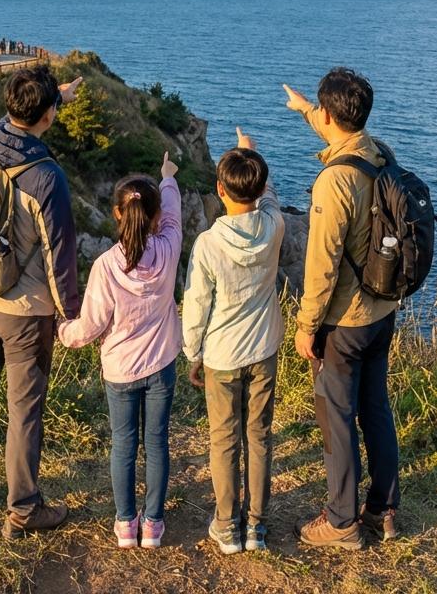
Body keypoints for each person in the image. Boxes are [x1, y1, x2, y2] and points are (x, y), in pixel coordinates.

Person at [0, 65, 83, 538]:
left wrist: (53, 98)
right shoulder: (47, 178)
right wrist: (70, 315)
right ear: (47, 116)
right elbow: (59, 258)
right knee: (23, 410)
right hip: (25, 312)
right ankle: (24, 508)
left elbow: (8, 129)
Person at [283, 68, 400, 549]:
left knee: (336, 417)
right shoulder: (379, 154)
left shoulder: (334, 181)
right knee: (375, 409)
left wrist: (306, 325)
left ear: (331, 114)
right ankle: (383, 510)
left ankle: (341, 521)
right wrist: (305, 110)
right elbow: (339, 132)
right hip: (382, 309)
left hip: (345, 321)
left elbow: (322, 264)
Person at [57, 153, 182, 550]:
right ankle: (154, 524)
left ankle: (127, 523)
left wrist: (62, 331)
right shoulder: (169, 248)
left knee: (123, 444)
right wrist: (167, 178)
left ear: (116, 214)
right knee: (157, 442)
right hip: (161, 364)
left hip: (120, 371)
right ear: (155, 216)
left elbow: (90, 325)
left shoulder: (107, 266)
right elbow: (174, 215)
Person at [182, 127, 285, 555]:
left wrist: (193, 353)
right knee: (258, 436)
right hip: (264, 348)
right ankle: (256, 525)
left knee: (224, 439)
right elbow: (270, 196)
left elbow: (196, 303)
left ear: (219, 190)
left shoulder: (208, 244)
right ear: (260, 189)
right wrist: (252, 154)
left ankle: (227, 525)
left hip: (222, 356)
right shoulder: (275, 225)